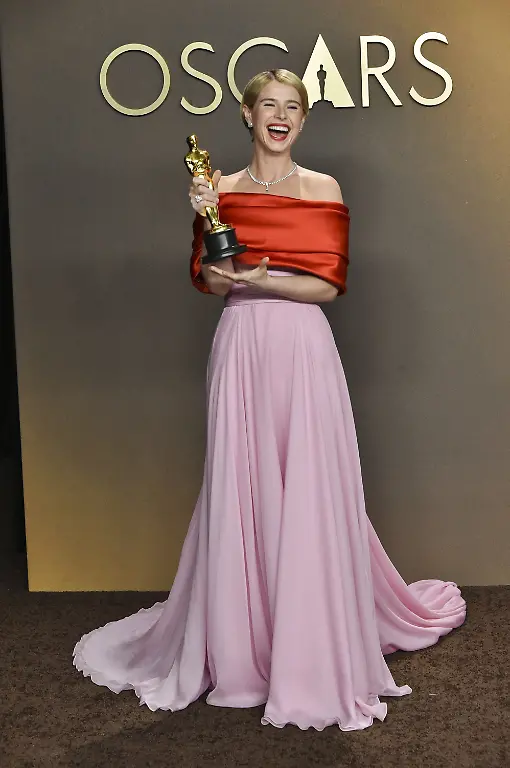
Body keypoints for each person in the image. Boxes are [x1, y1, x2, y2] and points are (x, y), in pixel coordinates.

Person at [73, 69, 466, 732]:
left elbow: (328, 287)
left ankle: (309, 644)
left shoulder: (323, 188)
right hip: (241, 344)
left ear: (302, 121)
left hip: (303, 347)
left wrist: (267, 280)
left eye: (292, 108)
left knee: (307, 483)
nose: (280, 117)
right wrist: (207, 221)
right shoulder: (220, 189)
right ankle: (244, 648)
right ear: (249, 115)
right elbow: (209, 279)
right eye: (269, 106)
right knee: (243, 484)